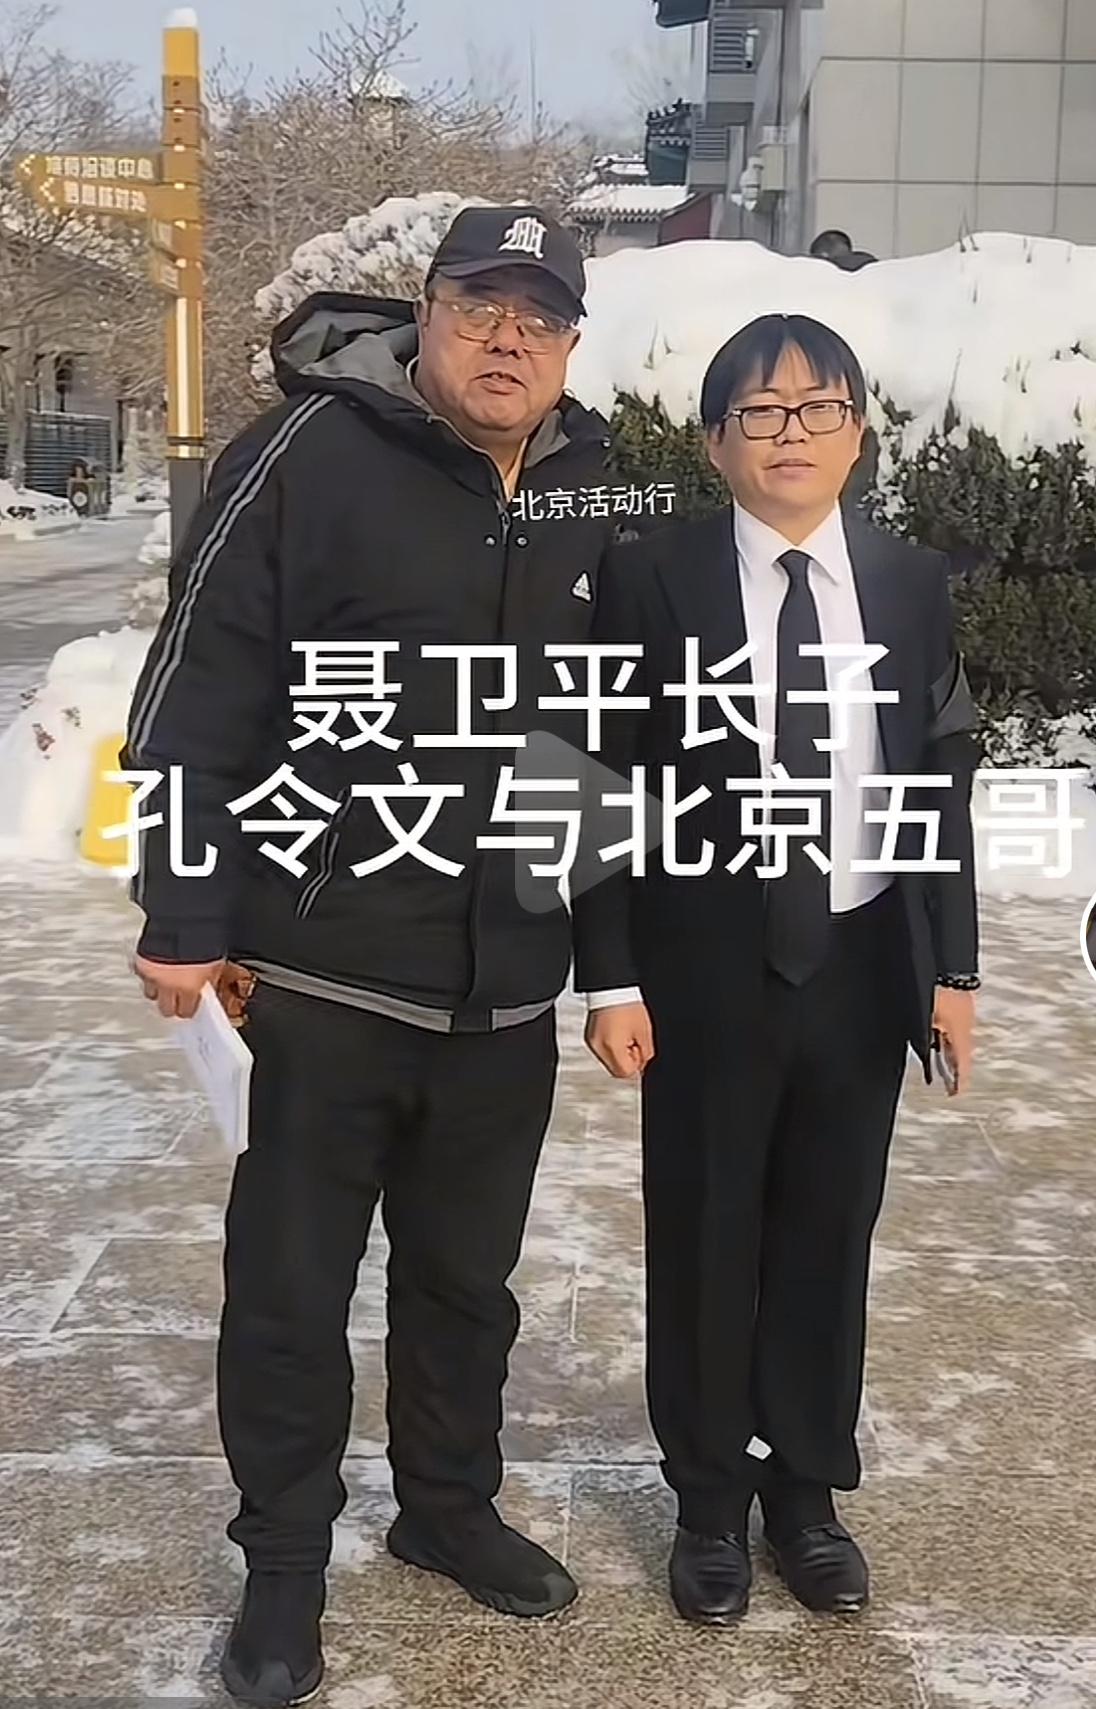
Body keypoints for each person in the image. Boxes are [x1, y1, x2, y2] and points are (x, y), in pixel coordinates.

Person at [126, 205, 619, 1707]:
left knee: (468, 1283)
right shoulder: (307, 452)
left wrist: (605, 955)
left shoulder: (596, 483)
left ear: (570, 342)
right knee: (290, 1288)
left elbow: (603, 736)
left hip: (503, 985)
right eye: (480, 307)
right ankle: (284, 1566)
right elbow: (200, 679)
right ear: (427, 312)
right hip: (325, 971)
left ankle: (446, 1508)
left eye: (538, 317)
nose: (507, 339)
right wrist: (183, 911)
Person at [575, 314, 979, 1627]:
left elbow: (940, 785)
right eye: (759, 411)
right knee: (705, 1235)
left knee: (827, 1234)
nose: (790, 433)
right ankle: (706, 1502)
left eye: (818, 408)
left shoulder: (910, 583)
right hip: (706, 971)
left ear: (858, 432)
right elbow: (597, 779)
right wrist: (609, 976)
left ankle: (805, 1493)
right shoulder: (652, 576)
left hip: (859, 963)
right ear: (715, 443)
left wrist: (954, 969)